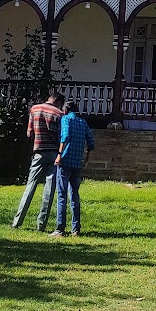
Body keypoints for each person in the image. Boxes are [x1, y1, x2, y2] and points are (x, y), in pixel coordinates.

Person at [11, 89, 64, 229]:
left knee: (30, 186)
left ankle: (17, 222)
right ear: (58, 102)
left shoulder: (34, 109)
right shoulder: (60, 114)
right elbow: (61, 136)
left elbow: (29, 133)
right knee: (49, 189)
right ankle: (41, 224)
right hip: (53, 153)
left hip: (38, 152)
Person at [50, 100, 95, 237]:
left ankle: (60, 228)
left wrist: (59, 155)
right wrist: (87, 158)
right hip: (77, 162)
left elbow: (65, 135)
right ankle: (76, 229)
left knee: (62, 195)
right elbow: (91, 142)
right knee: (74, 195)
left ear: (65, 110)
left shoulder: (65, 120)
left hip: (65, 161)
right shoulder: (83, 122)